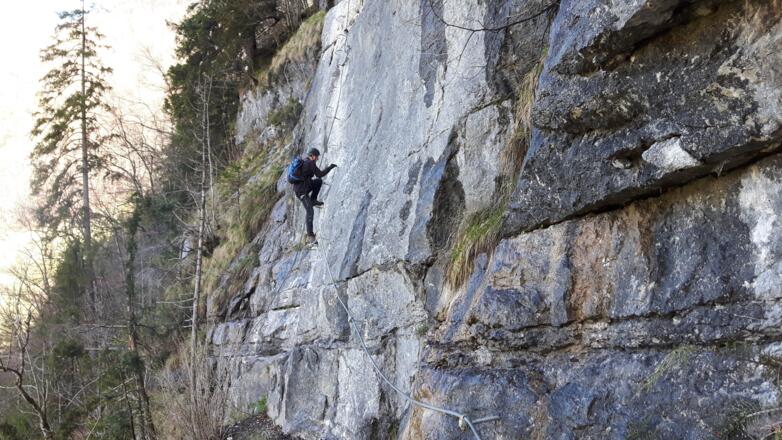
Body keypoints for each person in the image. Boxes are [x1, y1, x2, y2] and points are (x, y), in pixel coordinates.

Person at [290, 148, 337, 243]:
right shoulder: (310, 163)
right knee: (310, 210)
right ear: (313, 156)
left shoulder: (305, 162)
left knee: (318, 182)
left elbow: (317, 177)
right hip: (302, 192)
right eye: (317, 157)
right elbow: (319, 174)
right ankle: (310, 236)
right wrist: (330, 167)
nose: (318, 159)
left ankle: (313, 200)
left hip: (304, 187)